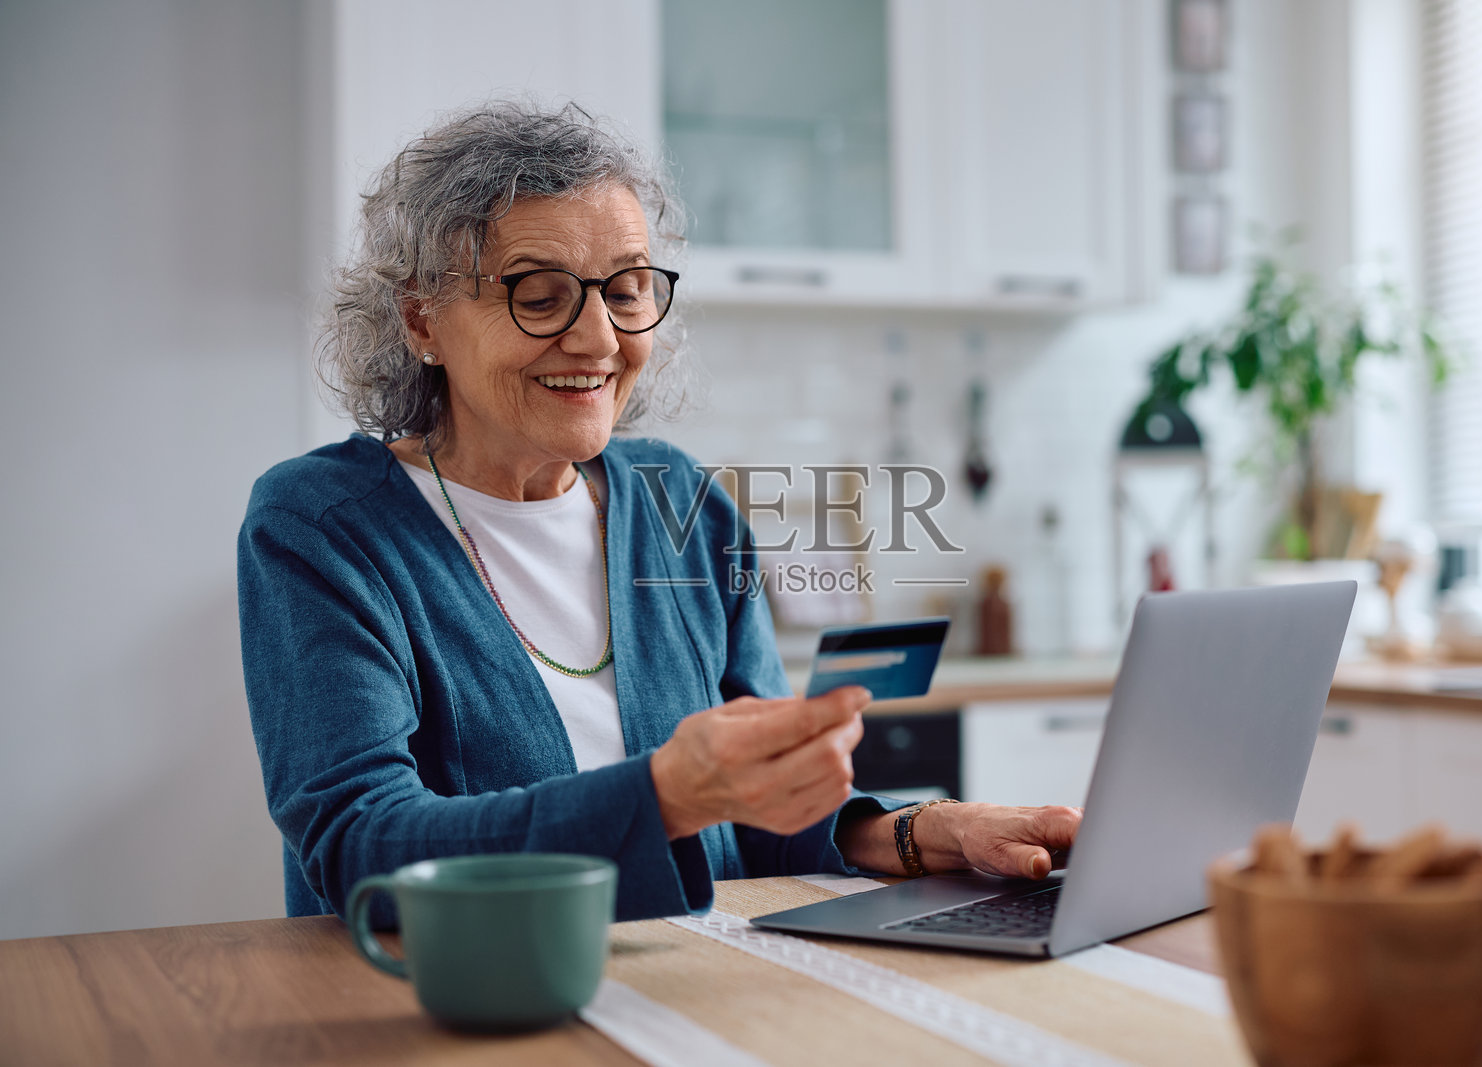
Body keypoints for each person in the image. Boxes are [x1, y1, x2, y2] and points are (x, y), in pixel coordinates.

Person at [238, 102, 1082, 922]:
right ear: (421, 318)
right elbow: (361, 847)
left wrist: (928, 829)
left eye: (629, 290)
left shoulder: (683, 502)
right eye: (540, 294)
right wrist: (667, 797)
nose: (601, 339)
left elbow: (768, 813)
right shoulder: (322, 525)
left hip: (696, 987)